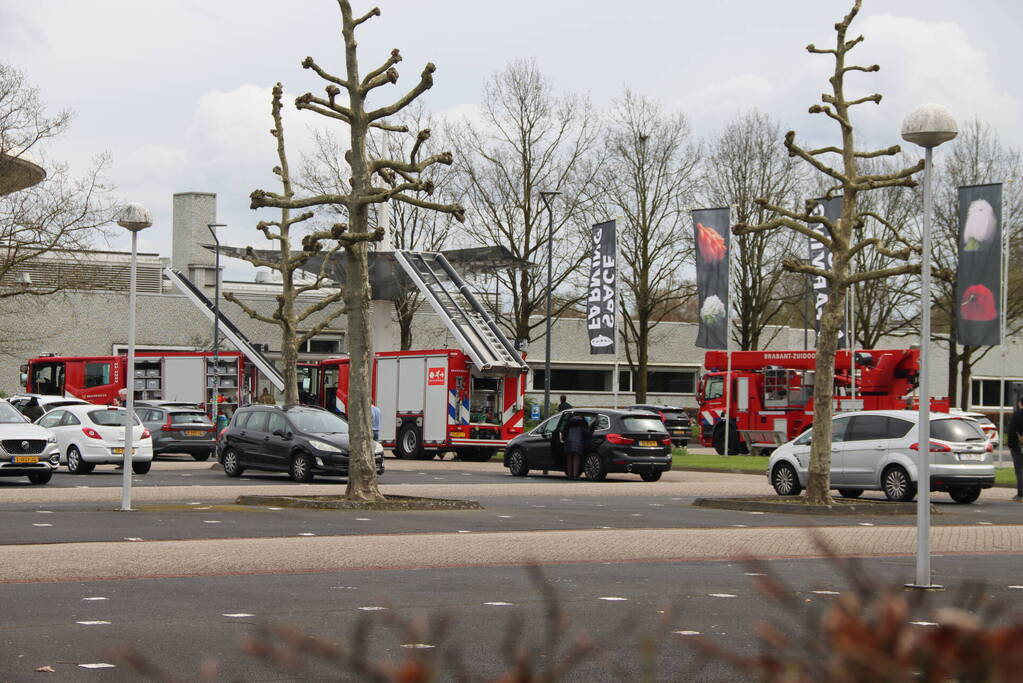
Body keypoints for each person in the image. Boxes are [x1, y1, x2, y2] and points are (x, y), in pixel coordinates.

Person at [563, 412, 590, 480]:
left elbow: (564, 433)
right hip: (578, 443)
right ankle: (575, 476)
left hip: (569, 443)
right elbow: (587, 433)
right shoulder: (582, 424)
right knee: (576, 459)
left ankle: (569, 475)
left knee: (569, 459)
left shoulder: (569, 423)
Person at [1010, 395, 1023, 501]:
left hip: (1018, 447)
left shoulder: (1017, 415)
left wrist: (1012, 446)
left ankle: (1021, 493)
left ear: (1020, 403)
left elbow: (1011, 432)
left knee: (1019, 470)